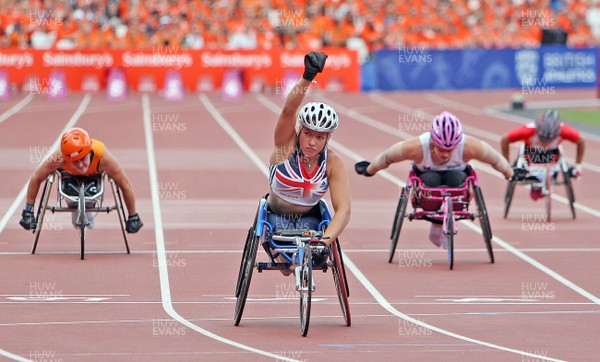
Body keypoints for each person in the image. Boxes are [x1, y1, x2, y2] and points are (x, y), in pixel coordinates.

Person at [355, 111, 513, 248]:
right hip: (428, 185)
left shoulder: (470, 146)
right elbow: (386, 157)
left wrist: (510, 174)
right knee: (430, 179)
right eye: (441, 149)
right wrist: (370, 170)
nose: (445, 154)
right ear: (432, 142)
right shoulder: (415, 147)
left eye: (450, 150)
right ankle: (437, 222)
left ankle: (447, 214)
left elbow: (497, 160)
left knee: (456, 177)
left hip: (457, 183)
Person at [267, 51, 351, 274]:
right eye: (308, 134)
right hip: (277, 219)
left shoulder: (333, 163)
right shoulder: (285, 145)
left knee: (310, 246)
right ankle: (288, 260)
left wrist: (326, 241)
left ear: (328, 138)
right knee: (288, 254)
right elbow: (288, 110)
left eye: (320, 137)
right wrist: (308, 76)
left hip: (309, 223)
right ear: (299, 130)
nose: (312, 142)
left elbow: (343, 210)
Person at [19, 127, 143, 233]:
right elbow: (37, 177)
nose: (80, 165)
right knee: (70, 191)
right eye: (75, 162)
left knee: (90, 196)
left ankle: (85, 208)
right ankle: (76, 208)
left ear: (89, 152)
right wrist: (28, 210)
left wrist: (133, 216)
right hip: (69, 183)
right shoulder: (59, 157)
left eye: (83, 159)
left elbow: (125, 184)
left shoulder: (102, 156)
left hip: (94, 183)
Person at [500, 109, 585, 200]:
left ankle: (545, 181)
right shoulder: (528, 130)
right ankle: (536, 182)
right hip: (531, 154)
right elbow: (505, 140)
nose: (545, 142)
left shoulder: (564, 130)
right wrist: (507, 162)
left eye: (549, 139)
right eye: (543, 139)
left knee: (557, 170)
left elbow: (581, 142)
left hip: (552, 156)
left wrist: (578, 165)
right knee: (522, 171)